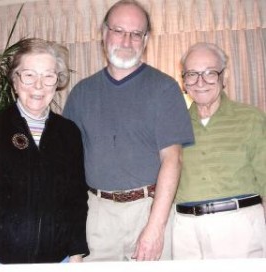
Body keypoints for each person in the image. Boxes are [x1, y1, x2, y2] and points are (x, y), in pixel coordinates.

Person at [63, 0, 194, 261]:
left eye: (136, 34)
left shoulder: (164, 88)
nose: (127, 41)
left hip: (148, 210)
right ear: (104, 34)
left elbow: (173, 159)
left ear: (145, 40)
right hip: (96, 214)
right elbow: (68, 168)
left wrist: (155, 228)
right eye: (119, 30)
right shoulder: (81, 93)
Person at [0, 38, 89, 264]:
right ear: (15, 81)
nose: (38, 85)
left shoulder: (69, 133)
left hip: (56, 260)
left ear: (57, 82)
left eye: (48, 76)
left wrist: (76, 252)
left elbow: (76, 199)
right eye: (29, 75)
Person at [173, 42, 266, 259]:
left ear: (225, 77)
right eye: (192, 74)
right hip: (185, 232)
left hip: (240, 227)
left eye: (210, 73)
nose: (200, 82)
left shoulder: (251, 118)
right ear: (183, 81)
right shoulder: (174, 124)